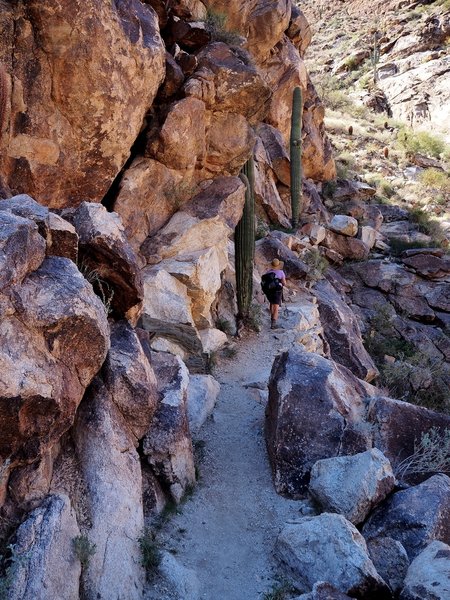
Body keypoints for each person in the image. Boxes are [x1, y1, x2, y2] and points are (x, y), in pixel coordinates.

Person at [263, 258, 286, 329]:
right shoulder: (281, 272)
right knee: (276, 307)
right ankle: (273, 324)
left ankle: (272, 318)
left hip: (269, 291)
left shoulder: (268, 272)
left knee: (271, 304)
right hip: (277, 291)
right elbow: (284, 283)